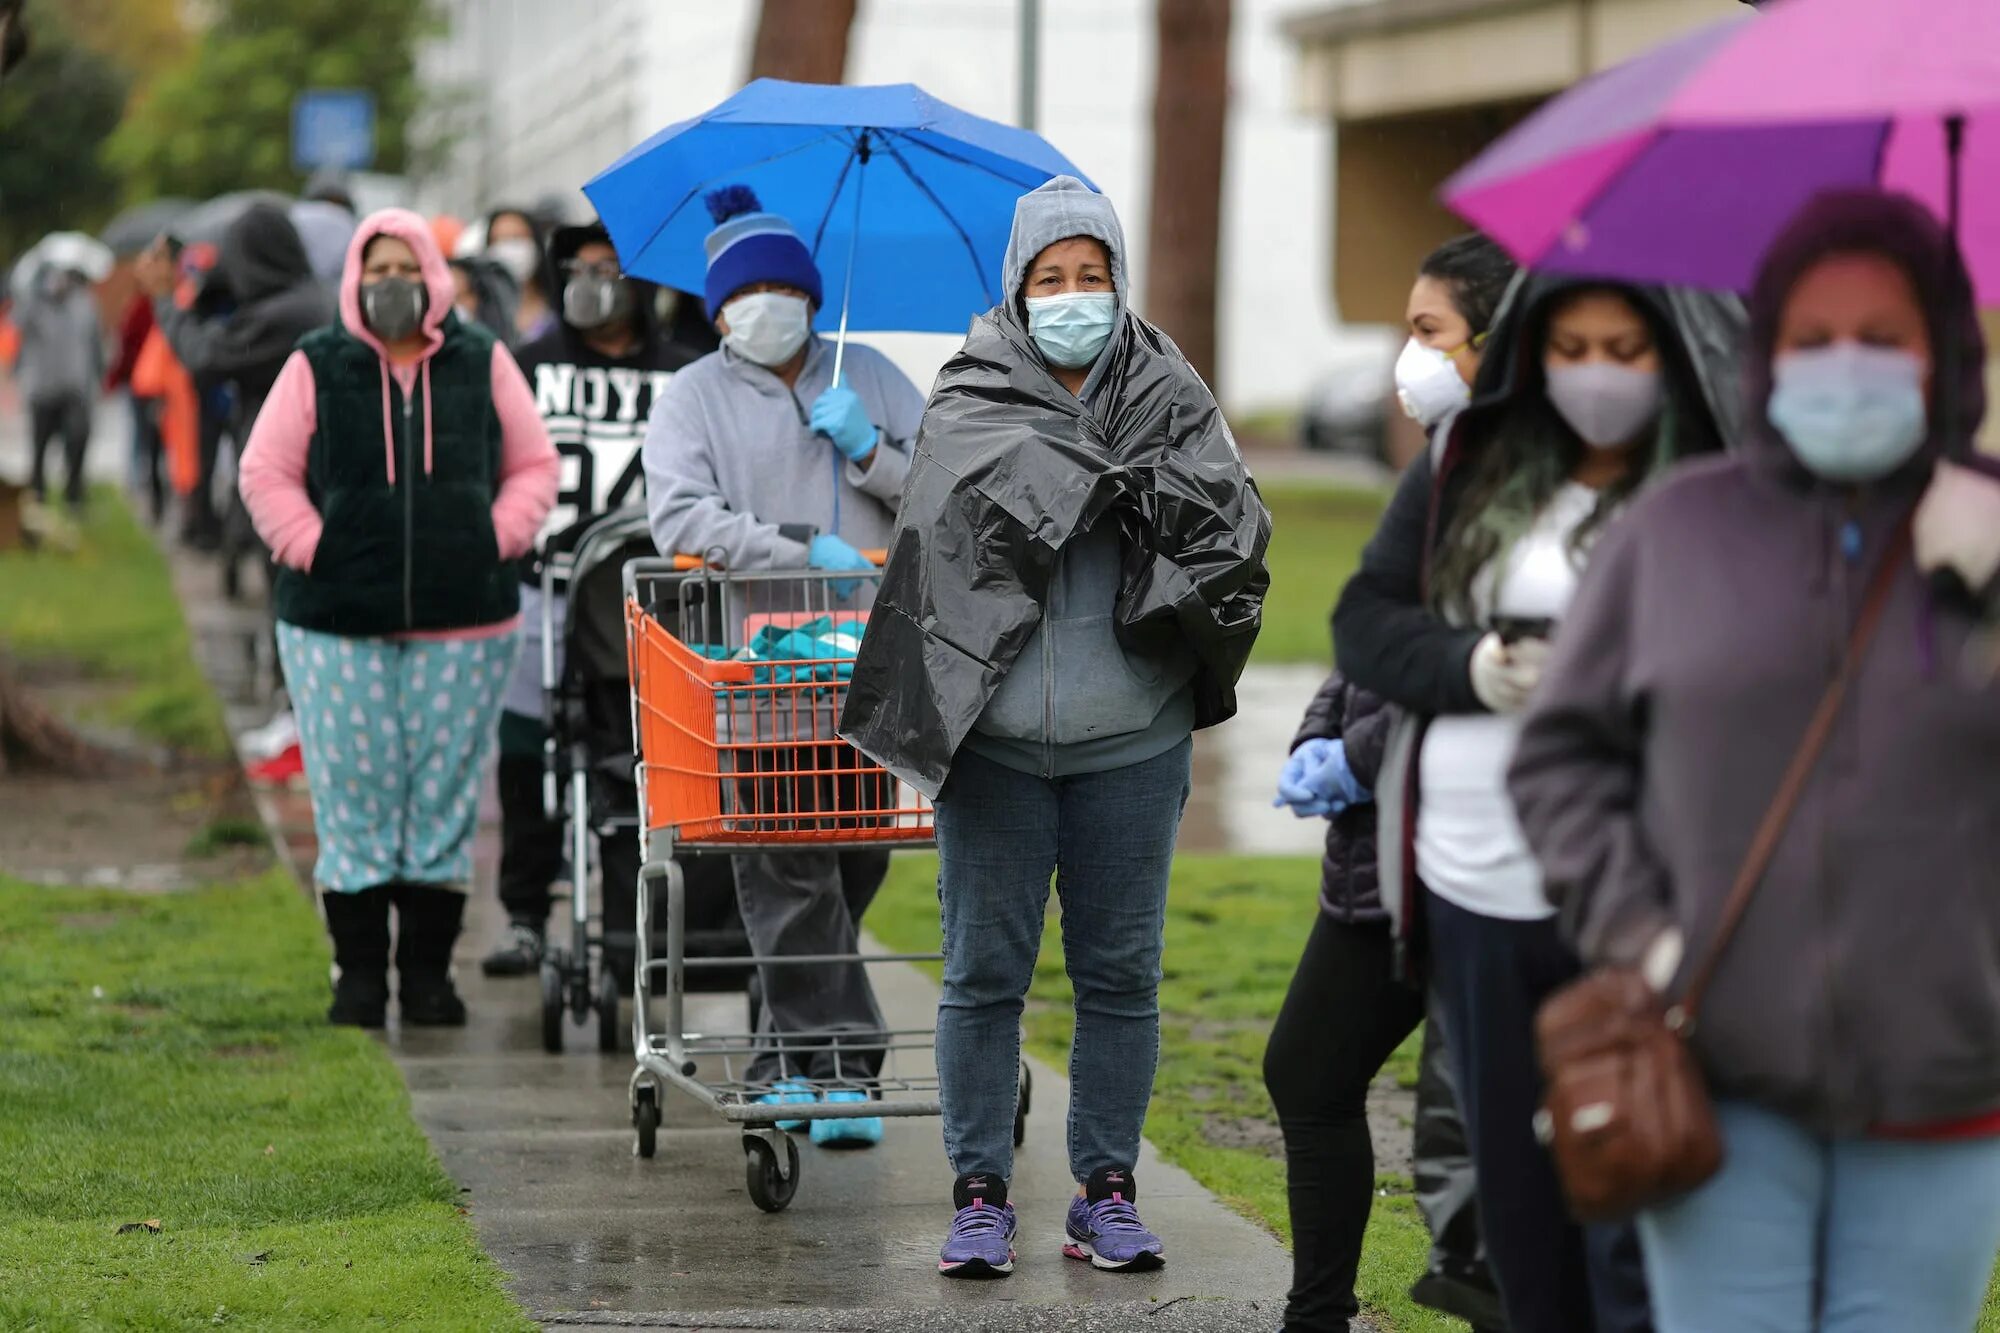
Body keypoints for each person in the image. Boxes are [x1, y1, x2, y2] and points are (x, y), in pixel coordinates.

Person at [1509, 190, 2000, 1333]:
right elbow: (1559, 761)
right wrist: (1641, 930)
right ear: (1763, 352)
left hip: (1946, 1073)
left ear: (1941, 354)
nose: (1845, 366)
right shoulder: (1675, 530)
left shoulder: (1987, 529)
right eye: (1812, 338)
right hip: (1712, 1065)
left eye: (1881, 340)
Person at [840, 176, 1270, 1279]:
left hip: (1132, 737)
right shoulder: (970, 394)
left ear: (1119, 284)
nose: (1072, 297)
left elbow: (1230, 534)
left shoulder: (1169, 394)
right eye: (1051, 279)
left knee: (1120, 976)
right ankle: (980, 1193)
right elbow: (934, 551)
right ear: (1018, 289)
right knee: (982, 974)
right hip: (994, 749)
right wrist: (1054, 479)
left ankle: (1106, 1191)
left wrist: (1134, 491)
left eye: (1091, 277)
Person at [1331, 267, 1743, 1333]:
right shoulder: (1466, 463)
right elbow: (1367, 621)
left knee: (1636, 1203)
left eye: (1624, 351)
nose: (1594, 377)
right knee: (1519, 1227)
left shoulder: (1707, 482)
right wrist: (1477, 667)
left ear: (1669, 356)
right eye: (1571, 350)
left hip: (1635, 897)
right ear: (1529, 352)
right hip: (1473, 891)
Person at [1264, 234, 1516, 1333]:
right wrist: (1319, 740)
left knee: (1482, 1138)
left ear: (1492, 347)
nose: (1404, 363)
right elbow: (1363, 639)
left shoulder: (1523, 494)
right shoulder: (1437, 470)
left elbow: (1486, 666)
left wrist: (1356, 761)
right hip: (1382, 851)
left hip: (1469, 855)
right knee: (1306, 1073)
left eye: (1427, 335)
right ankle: (1315, 1316)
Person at [642, 183, 925, 1146]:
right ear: (717, 309)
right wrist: (806, 550)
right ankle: (844, 1065)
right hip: (754, 681)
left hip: (875, 676)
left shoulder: (875, 378)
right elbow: (680, 517)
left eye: (779, 284)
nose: (763, 304)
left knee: (851, 867)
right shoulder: (693, 397)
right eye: (741, 291)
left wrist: (873, 451)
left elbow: (956, 494)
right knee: (789, 869)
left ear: (810, 291)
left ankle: (781, 1061)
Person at [237, 208, 558, 1029]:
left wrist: (492, 537)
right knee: (353, 792)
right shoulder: (319, 363)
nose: (391, 285)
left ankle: (426, 978)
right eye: (375, 270)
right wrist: (314, 546)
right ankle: (359, 976)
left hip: (467, 621)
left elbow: (533, 465)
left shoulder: (482, 360)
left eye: (405, 268)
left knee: (443, 799)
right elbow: (265, 470)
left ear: (433, 275)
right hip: (334, 622)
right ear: (354, 278)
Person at [482, 220, 713, 979]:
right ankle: (524, 910)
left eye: (610, 266)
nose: (593, 281)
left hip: (658, 606)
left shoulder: (687, 373)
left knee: (639, 766)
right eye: (579, 267)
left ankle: (635, 926)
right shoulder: (524, 366)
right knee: (529, 756)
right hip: (544, 592)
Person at [13, 259, 102, 509]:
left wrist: (99, 375)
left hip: (74, 387)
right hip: (42, 389)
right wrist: (32, 293)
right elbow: (17, 324)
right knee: (39, 446)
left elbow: (94, 343)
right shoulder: (35, 304)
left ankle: (74, 493)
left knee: (77, 441)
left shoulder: (84, 303)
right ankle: (37, 492)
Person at [481, 207, 556, 345]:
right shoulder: (481, 312)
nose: (510, 248)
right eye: (500, 240)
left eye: (517, 237)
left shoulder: (558, 306)